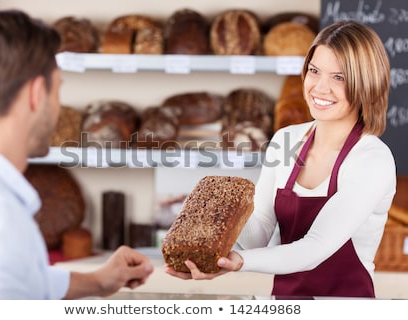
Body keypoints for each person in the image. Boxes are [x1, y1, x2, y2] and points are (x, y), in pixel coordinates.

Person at [165, 20, 397, 298]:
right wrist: (216, 220)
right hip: (285, 306)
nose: (320, 88)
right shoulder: (286, 140)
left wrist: (239, 263)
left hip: (346, 310)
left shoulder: (372, 158)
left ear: (367, 82)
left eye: (339, 77)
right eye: (314, 71)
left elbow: (315, 247)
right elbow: (258, 233)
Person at [0, 10, 153, 299]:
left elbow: (24, 279)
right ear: (37, 93)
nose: (58, 107)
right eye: (57, 90)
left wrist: (99, 281)